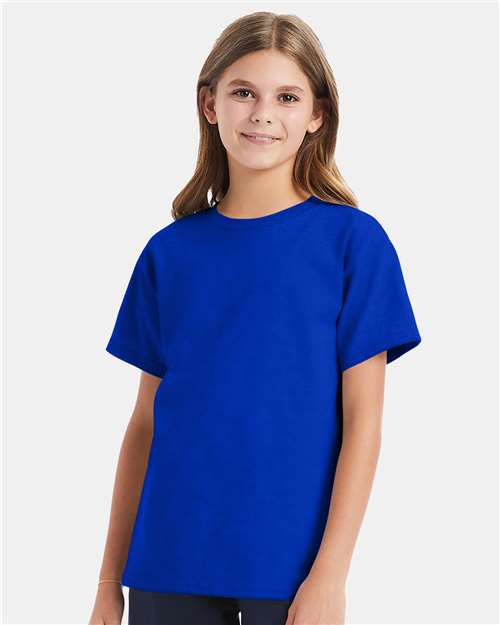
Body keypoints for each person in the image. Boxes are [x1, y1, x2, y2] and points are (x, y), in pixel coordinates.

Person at [88, 10, 422, 625]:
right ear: (210, 104)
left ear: (316, 115)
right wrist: (109, 582)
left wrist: (330, 576)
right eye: (243, 92)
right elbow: (144, 425)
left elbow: (364, 423)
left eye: (287, 97)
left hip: (290, 569)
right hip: (168, 559)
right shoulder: (169, 253)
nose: (263, 113)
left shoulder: (353, 243)